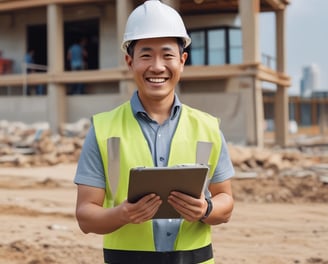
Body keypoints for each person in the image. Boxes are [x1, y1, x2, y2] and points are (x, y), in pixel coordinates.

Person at [74, 1, 234, 263]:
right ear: (130, 61)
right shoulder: (103, 129)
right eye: (146, 55)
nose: (157, 66)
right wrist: (123, 214)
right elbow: (85, 216)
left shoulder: (208, 127)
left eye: (168, 55)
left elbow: (225, 200)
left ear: (182, 61)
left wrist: (206, 209)